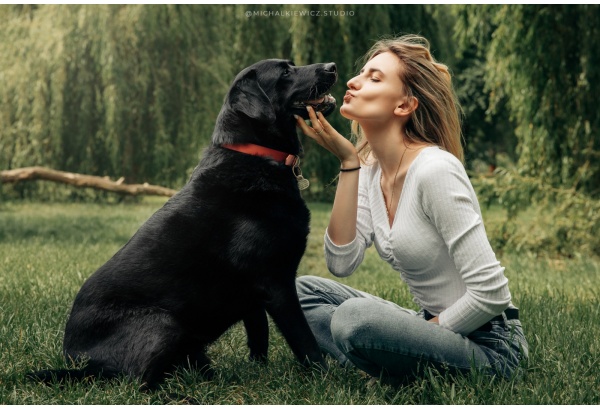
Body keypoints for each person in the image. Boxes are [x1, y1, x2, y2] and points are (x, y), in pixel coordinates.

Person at [294, 34, 528, 385]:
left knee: (355, 320)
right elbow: (342, 263)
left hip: (491, 346)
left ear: (404, 105)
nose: (354, 82)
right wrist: (348, 162)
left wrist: (425, 331)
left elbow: (491, 294)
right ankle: (387, 358)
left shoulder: (435, 170)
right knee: (302, 292)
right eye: (361, 73)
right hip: (431, 323)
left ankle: (383, 357)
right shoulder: (370, 167)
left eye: (374, 78)